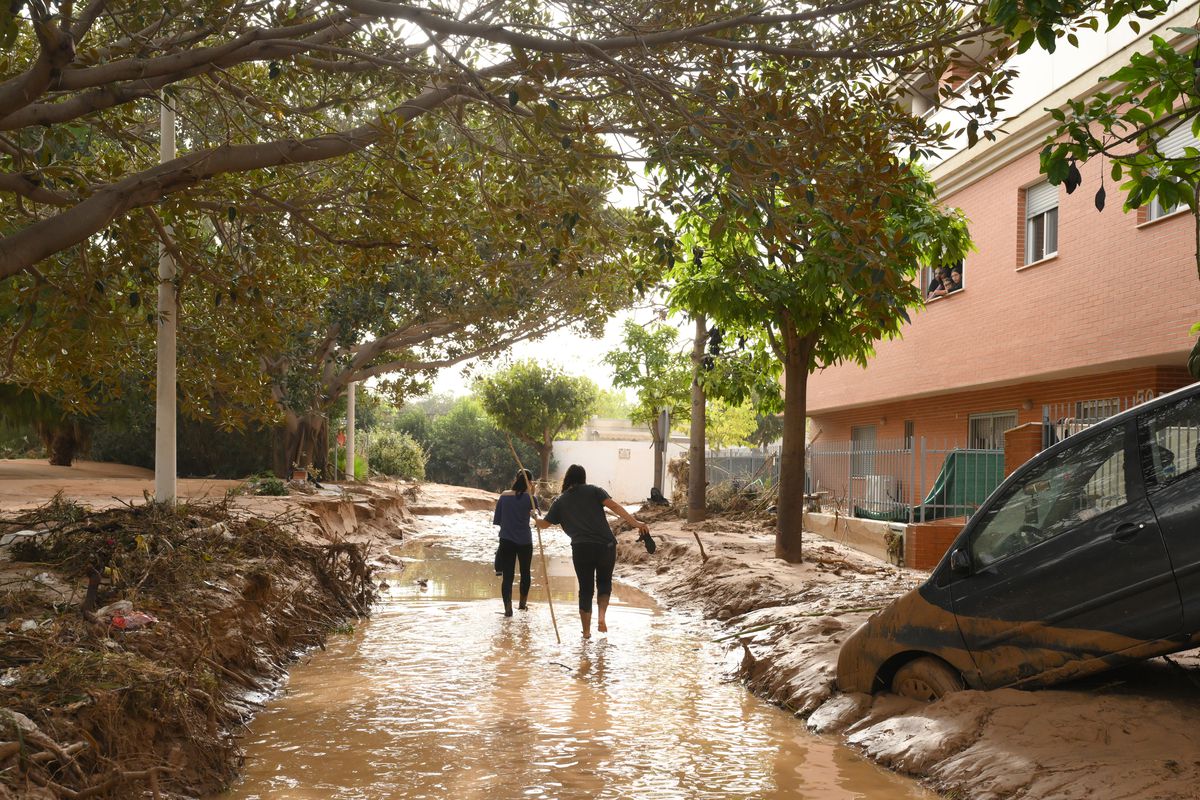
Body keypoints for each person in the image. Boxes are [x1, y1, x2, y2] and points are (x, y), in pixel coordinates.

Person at [534, 464, 650, 640]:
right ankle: (602, 617)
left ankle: (586, 633)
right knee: (604, 583)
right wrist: (637, 524)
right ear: (583, 478)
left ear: (567, 479)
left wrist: (534, 517)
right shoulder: (594, 490)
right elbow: (616, 507)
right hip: (606, 546)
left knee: (585, 590)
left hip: (581, 548)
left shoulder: (560, 501)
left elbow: (544, 525)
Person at [492, 469, 539, 617]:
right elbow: (537, 518)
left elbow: (498, 521)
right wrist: (532, 494)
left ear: (515, 479)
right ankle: (522, 605)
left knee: (508, 576)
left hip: (506, 540)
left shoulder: (504, 496)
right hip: (525, 541)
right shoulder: (531, 499)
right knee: (525, 572)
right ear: (530, 482)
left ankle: (508, 609)